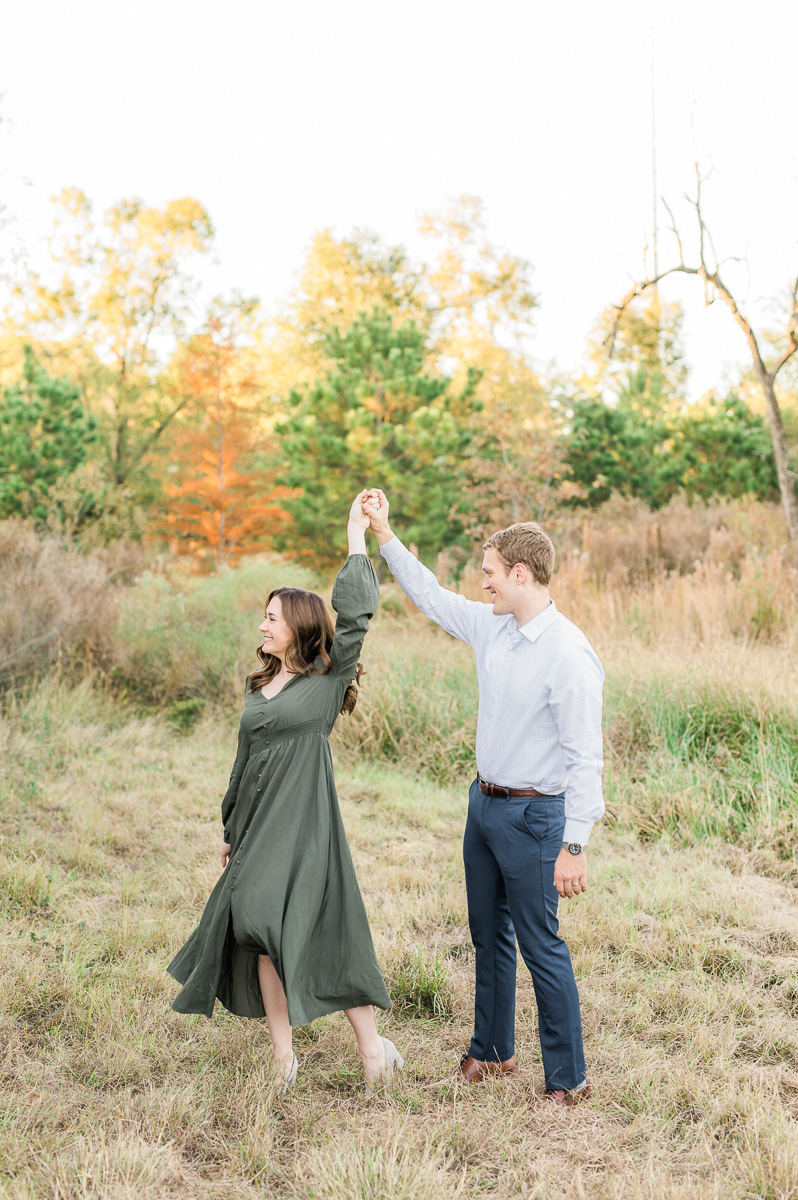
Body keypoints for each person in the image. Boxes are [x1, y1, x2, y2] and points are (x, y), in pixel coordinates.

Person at [363, 489, 604, 1106]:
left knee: (539, 943)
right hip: (484, 805)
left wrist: (574, 843)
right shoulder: (491, 626)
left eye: (491, 571)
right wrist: (384, 533)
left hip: (536, 816)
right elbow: (430, 596)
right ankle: (493, 1051)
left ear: (521, 575)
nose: (483, 581)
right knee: (486, 934)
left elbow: (585, 758)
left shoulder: (568, 654)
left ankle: (566, 1079)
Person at [168, 492, 403, 1093]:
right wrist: (229, 832)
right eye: (264, 616)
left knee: (321, 927)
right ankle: (283, 1057)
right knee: (255, 928)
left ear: (297, 625)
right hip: (256, 827)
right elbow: (242, 764)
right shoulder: (260, 688)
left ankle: (373, 1050)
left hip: (304, 824)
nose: (263, 624)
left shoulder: (325, 685)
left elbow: (353, 619)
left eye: (272, 617)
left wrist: (357, 537)